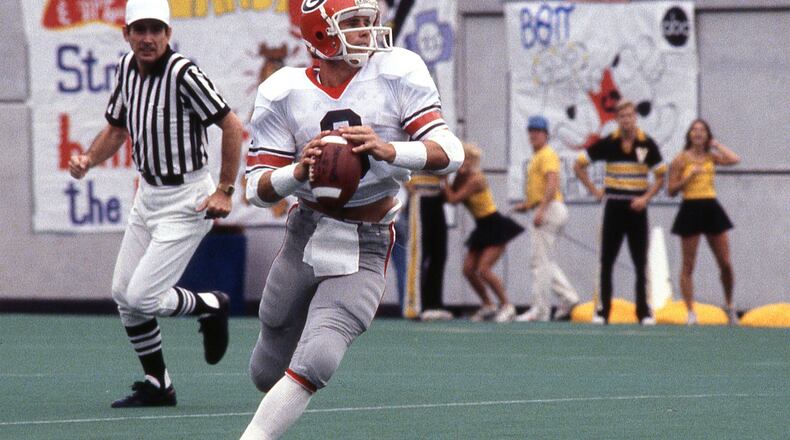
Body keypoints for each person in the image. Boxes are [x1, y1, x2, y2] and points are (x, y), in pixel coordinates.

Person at [239, 0, 464, 437]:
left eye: (367, 21)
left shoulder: (398, 70)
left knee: (317, 359)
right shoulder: (282, 89)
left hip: (367, 240)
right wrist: (298, 172)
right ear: (321, 34)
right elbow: (256, 187)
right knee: (267, 371)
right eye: (354, 23)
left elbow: (450, 152)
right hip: (305, 234)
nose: (368, 31)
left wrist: (389, 149)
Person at [68, 0, 244, 407]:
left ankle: (212, 304)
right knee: (122, 293)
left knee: (143, 297)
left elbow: (231, 124)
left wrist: (225, 189)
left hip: (188, 198)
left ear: (168, 34)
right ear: (126, 33)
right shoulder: (127, 69)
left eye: (156, 30)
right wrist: (88, 161)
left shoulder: (184, 73)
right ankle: (158, 382)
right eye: (139, 29)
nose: (148, 38)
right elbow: (117, 127)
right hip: (148, 195)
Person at [573, 100, 666, 325]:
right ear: (616, 119)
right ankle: (603, 311)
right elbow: (579, 164)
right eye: (622, 116)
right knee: (606, 260)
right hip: (614, 206)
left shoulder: (646, 143)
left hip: (637, 208)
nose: (627, 120)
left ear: (636, 117)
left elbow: (661, 175)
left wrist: (645, 198)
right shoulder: (608, 142)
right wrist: (594, 190)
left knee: (640, 261)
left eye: (630, 116)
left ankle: (643, 311)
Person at [667, 119, 740, 325]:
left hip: (710, 207)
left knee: (725, 262)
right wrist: (687, 178)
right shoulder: (680, 160)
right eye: (694, 130)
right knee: (688, 264)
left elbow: (735, 159)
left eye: (702, 130)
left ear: (707, 135)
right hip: (690, 207)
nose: (698, 133)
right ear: (689, 135)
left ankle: (729, 304)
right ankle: (690, 311)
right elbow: (671, 190)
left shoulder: (711, 157)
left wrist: (717, 145)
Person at [444, 142, 523, 323]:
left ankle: (507, 306)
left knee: (484, 269)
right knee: (468, 270)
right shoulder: (461, 178)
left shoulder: (476, 179)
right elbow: (450, 194)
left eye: (468, 161)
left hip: (494, 224)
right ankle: (488, 305)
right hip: (481, 226)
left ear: (473, 162)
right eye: (462, 161)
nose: (465, 165)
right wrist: (449, 178)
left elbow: (453, 199)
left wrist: (442, 179)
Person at [513, 116, 579, 322]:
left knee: (539, 262)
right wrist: (528, 205)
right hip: (547, 207)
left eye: (538, 131)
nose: (533, 134)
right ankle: (569, 298)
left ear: (546, 134)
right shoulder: (538, 156)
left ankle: (540, 310)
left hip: (550, 208)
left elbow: (552, 183)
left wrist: (540, 209)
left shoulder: (547, 154)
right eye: (531, 130)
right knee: (545, 261)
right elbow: (540, 188)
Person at [403, 172, 452, 321]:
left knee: (439, 253)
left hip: (436, 194)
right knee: (418, 252)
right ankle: (415, 305)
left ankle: (434, 304)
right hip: (420, 195)